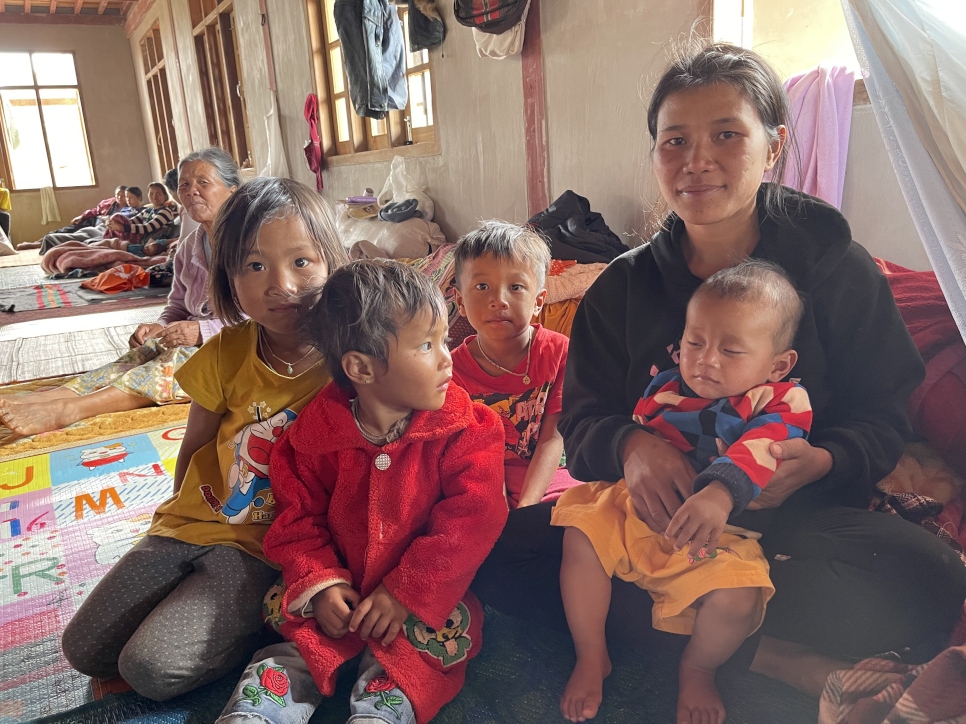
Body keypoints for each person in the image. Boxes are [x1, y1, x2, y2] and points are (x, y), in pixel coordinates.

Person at [472, 41, 966, 708]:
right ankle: (755, 653)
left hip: (789, 520)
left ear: (774, 146)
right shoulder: (623, 289)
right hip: (654, 519)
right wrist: (632, 447)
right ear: (654, 156)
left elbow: (885, 416)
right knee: (500, 558)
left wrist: (820, 462)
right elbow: (583, 424)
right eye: (674, 140)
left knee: (929, 580)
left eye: (726, 134)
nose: (696, 160)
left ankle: (702, 634)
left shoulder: (834, 269)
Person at [60, 176, 350, 701]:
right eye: (255, 266)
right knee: (84, 650)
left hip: (266, 548)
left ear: (332, 260)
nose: (279, 284)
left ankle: (261, 624)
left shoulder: (351, 362)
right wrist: (172, 517)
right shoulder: (224, 352)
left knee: (148, 668)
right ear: (228, 277)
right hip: (191, 524)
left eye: (302, 262)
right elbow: (194, 446)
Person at [215, 260, 508, 724]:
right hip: (340, 594)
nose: (447, 357)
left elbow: (474, 519)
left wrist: (403, 592)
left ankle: (380, 709)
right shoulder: (312, 440)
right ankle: (258, 710)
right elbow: (297, 522)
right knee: (299, 639)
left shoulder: (468, 429)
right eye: (426, 345)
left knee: (423, 649)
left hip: (421, 598)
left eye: (444, 341)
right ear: (361, 368)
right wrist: (323, 584)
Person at [554, 260, 811, 724]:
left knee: (740, 597)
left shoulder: (778, 401)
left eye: (731, 351)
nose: (705, 359)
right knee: (579, 534)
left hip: (716, 536)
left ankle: (698, 667)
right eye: (694, 342)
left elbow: (761, 448)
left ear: (778, 364)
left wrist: (718, 492)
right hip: (637, 512)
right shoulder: (667, 384)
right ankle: (591, 653)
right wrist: (630, 448)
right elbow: (617, 429)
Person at [0, 149, 239, 436]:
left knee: (176, 365)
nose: (191, 192)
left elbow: (263, 320)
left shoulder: (250, 245)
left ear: (232, 190)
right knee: (140, 356)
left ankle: (68, 410)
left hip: (239, 348)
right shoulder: (190, 248)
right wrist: (159, 327)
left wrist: (203, 331)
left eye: (203, 183)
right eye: (184, 185)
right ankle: (45, 398)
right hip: (197, 338)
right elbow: (176, 304)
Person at [451, 220, 577, 508]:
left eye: (516, 287)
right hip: (481, 480)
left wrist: (526, 507)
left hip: (550, 477)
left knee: (585, 515)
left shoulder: (558, 352)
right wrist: (499, 506)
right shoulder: (451, 371)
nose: (498, 300)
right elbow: (471, 454)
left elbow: (551, 439)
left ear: (538, 301)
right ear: (459, 301)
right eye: (482, 286)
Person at [38, 184, 180, 275]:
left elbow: (147, 228)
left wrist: (121, 227)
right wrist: (113, 223)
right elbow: (132, 221)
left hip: (142, 242)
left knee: (103, 244)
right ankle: (101, 245)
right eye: (152, 194)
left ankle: (98, 250)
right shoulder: (148, 211)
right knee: (116, 218)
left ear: (165, 196)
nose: (155, 197)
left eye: (159, 194)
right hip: (136, 239)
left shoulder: (165, 212)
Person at [18, 185, 128, 251]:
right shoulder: (109, 202)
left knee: (74, 236)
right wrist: (82, 216)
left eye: (122, 195)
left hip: (101, 227)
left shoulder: (128, 209)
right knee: (66, 229)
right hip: (92, 221)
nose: (119, 197)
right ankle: (38, 241)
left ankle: (39, 244)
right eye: (117, 195)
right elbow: (95, 211)